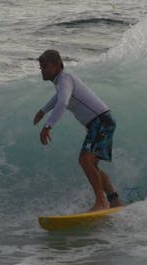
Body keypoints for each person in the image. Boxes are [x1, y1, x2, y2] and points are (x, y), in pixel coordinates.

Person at [33, 49, 124, 212]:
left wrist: (47, 126)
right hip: (101, 121)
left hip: (100, 121)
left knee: (85, 161)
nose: (42, 70)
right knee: (91, 164)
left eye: (45, 66)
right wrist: (43, 110)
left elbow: (63, 102)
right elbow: (59, 98)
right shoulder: (62, 81)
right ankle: (114, 201)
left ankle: (101, 202)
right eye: (41, 67)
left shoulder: (64, 79)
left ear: (57, 66)